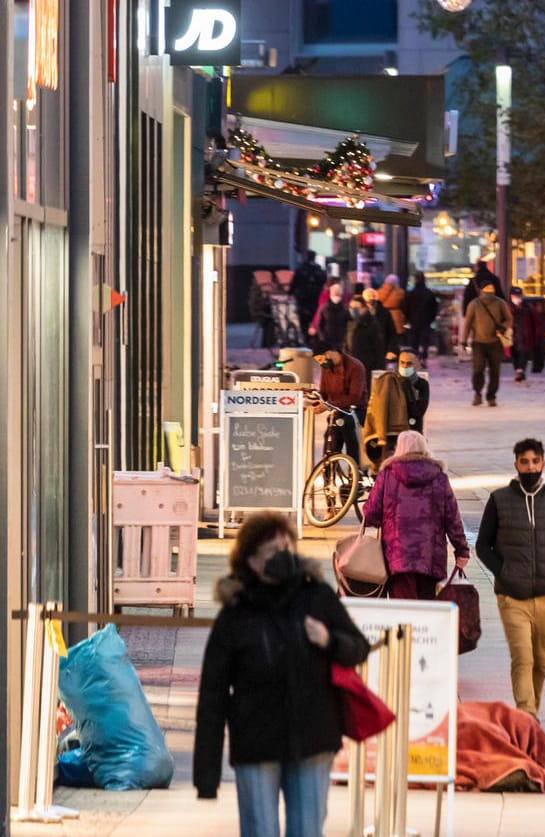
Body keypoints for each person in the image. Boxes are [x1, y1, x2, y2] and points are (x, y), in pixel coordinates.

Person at [194, 512, 371, 837]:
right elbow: (212, 696)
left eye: (288, 548)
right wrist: (207, 776)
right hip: (257, 744)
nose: (284, 557)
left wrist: (328, 640)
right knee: (260, 830)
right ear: (251, 561)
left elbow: (358, 648)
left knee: (306, 830)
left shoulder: (317, 597)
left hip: (312, 741)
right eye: (273, 552)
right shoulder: (236, 614)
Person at [475, 439, 545, 715]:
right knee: (522, 657)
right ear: (516, 465)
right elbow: (482, 546)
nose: (530, 467)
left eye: (535, 461)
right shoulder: (499, 500)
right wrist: (504, 572)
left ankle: (530, 708)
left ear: (543, 463)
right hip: (512, 595)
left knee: (541, 659)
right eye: (525, 462)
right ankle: (527, 714)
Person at [360, 430, 469, 600]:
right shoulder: (439, 477)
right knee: (426, 613)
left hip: (396, 559)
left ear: (399, 448)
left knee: (403, 613)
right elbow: (452, 518)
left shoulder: (387, 475)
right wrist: (462, 550)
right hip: (431, 558)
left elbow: (371, 514)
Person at [461, 281, 513, 407]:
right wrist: (503, 327)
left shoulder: (475, 304)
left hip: (482, 342)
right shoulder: (499, 303)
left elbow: (467, 324)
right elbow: (509, 319)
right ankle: (489, 396)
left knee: (480, 370)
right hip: (487, 343)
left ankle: (481, 394)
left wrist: (463, 340)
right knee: (492, 371)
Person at [345, 293, 391, 375]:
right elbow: (347, 343)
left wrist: (379, 370)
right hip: (352, 365)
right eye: (351, 307)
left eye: (356, 308)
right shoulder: (350, 323)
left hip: (367, 366)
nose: (353, 310)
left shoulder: (372, 324)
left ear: (364, 308)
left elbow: (379, 348)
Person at [315, 348, 369, 418]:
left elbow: (354, 397)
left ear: (328, 354)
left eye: (320, 360)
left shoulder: (355, 366)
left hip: (355, 413)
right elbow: (324, 393)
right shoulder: (327, 367)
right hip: (337, 412)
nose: (320, 363)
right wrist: (314, 401)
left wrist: (329, 405)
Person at [507, 287, 544, 382]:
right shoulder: (507, 309)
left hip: (525, 337)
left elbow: (537, 323)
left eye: (519, 296)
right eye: (515, 296)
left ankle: (520, 371)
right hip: (512, 336)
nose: (517, 298)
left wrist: (537, 335)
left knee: (524, 354)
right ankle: (519, 371)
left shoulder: (528, 309)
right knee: (514, 354)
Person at [403, 272, 440, 361]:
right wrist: (432, 318)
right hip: (426, 320)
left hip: (414, 320)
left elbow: (405, 307)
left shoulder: (411, 294)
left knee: (414, 341)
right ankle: (423, 357)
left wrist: (408, 319)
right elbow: (434, 308)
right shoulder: (429, 294)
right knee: (425, 341)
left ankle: (415, 357)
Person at [310, 281, 351, 352]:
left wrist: (345, 338)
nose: (336, 295)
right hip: (328, 339)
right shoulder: (324, 308)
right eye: (335, 292)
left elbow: (348, 324)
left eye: (338, 293)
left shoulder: (345, 309)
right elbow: (320, 324)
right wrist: (322, 338)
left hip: (340, 341)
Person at [291, 250, 327, 331]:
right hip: (315, 297)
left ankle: (306, 336)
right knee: (315, 317)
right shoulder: (319, 271)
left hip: (303, 298)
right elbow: (324, 282)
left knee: (303, 319)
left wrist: (290, 292)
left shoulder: (301, 270)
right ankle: (314, 335)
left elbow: (294, 283)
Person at [396, 350, 430, 432]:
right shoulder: (392, 381)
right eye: (402, 362)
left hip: (413, 428)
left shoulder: (422, 384)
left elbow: (419, 411)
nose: (405, 366)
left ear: (416, 365)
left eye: (409, 363)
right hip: (394, 428)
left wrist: (407, 386)